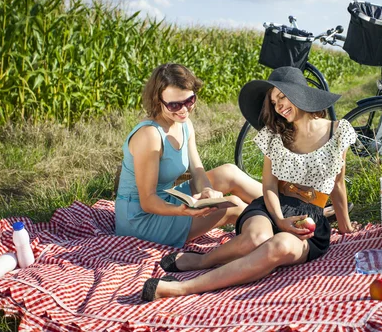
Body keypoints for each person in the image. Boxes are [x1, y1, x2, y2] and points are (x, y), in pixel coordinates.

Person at [141, 66, 357, 301]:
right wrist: (280, 220)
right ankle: (204, 260)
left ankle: (183, 286)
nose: (279, 106)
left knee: (279, 247)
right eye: (274, 102)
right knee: (257, 238)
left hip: (310, 220)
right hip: (271, 207)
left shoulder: (339, 131)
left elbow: (338, 184)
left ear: (301, 94)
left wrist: (345, 227)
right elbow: (269, 187)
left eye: (283, 97)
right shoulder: (275, 135)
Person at [115, 63, 262, 248]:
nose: (184, 110)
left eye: (189, 101)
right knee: (234, 206)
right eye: (174, 105)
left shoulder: (184, 124)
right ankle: (278, 232)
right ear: (157, 101)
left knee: (229, 173)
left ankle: (289, 208)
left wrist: (207, 191)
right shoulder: (150, 136)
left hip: (168, 200)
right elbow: (148, 201)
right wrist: (182, 211)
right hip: (140, 220)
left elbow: (198, 171)